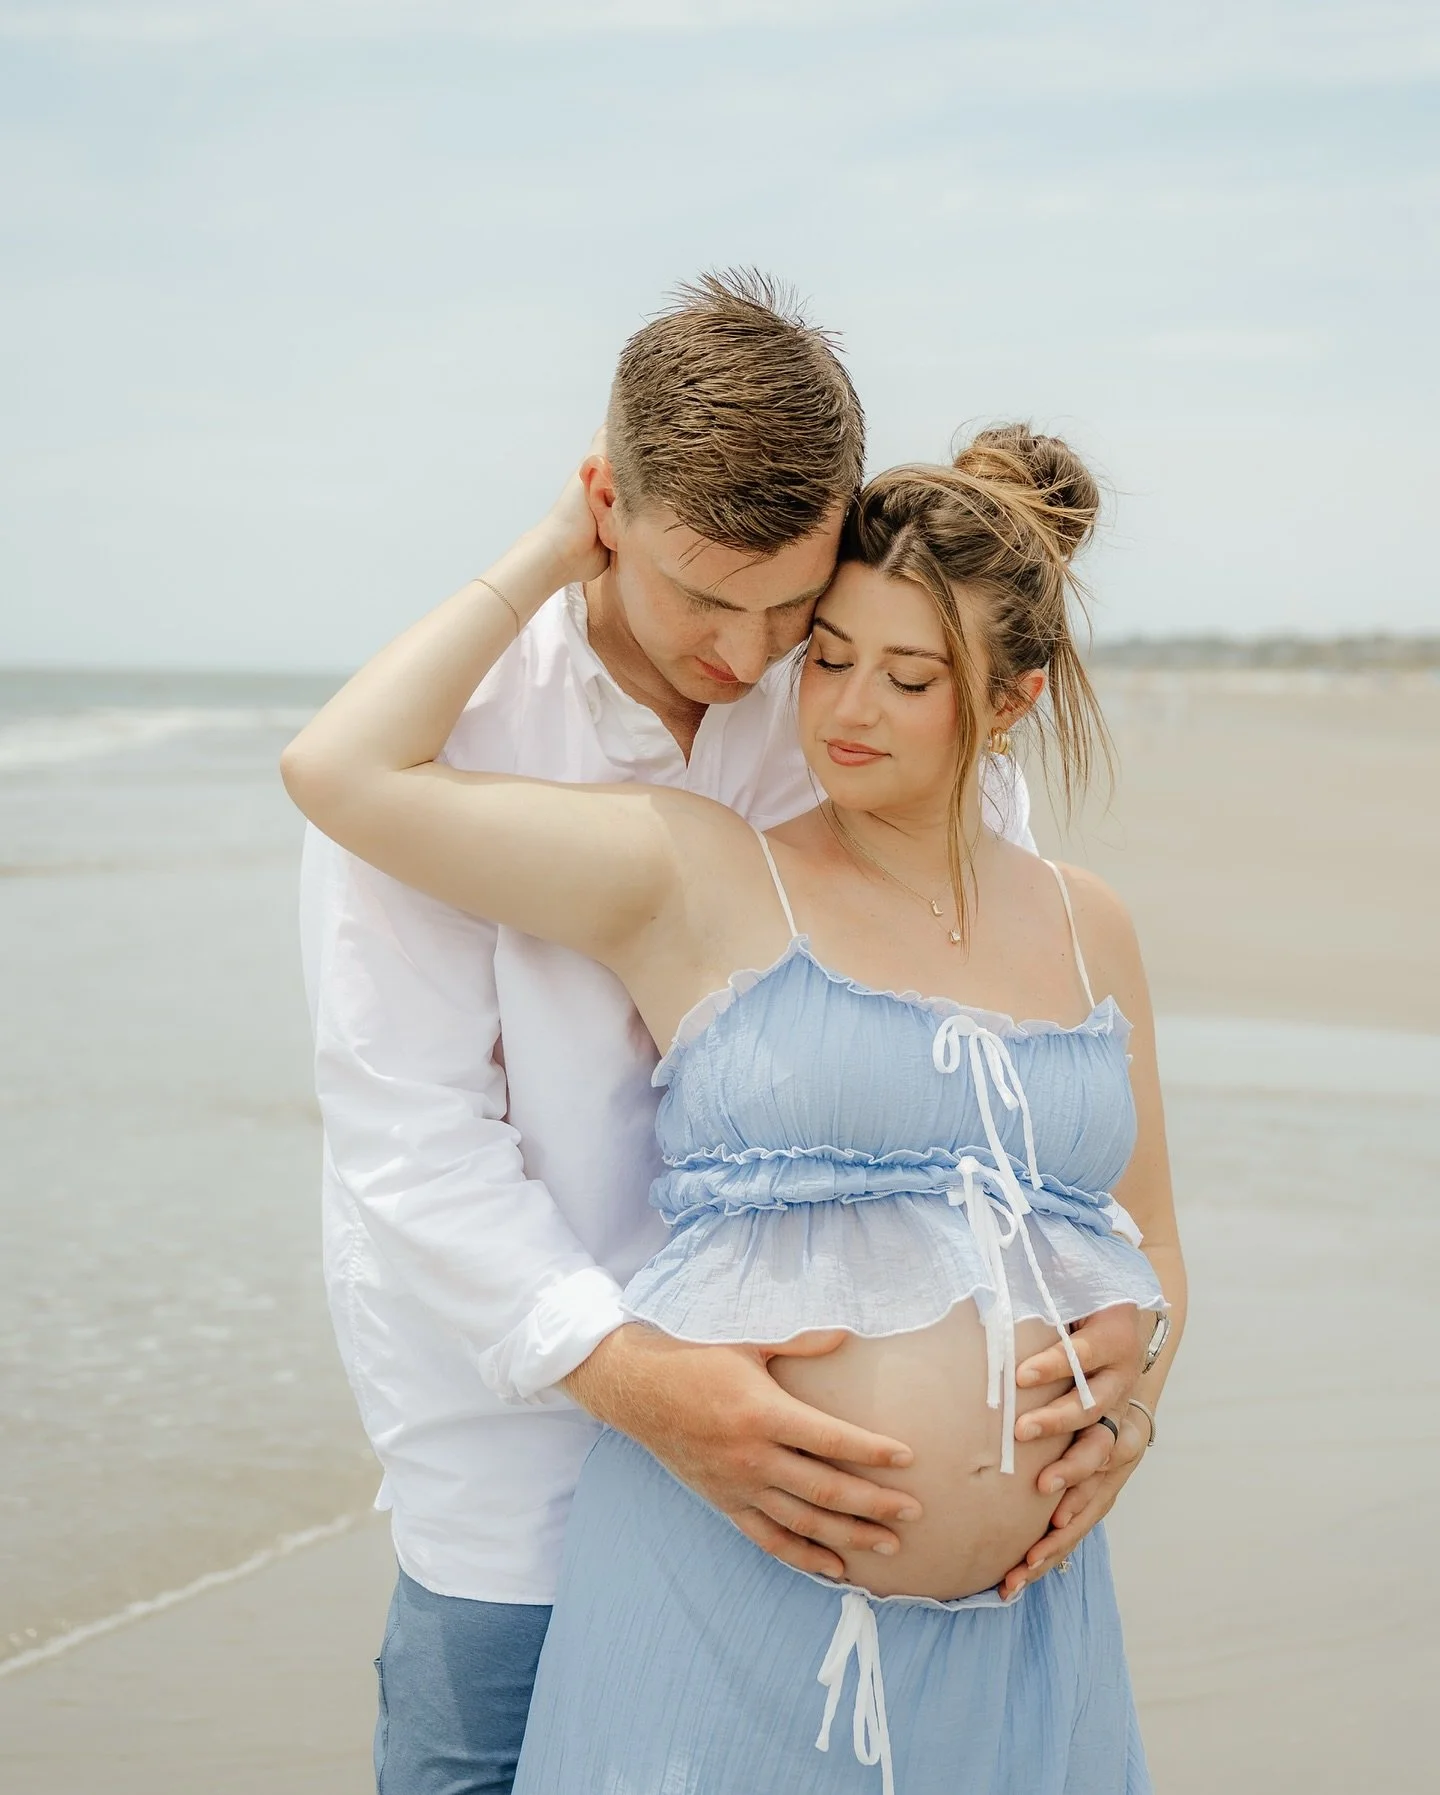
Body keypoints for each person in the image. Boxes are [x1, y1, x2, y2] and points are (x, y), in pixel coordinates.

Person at [297, 273, 1160, 1795]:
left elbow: (1001, 1084)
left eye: (795, 605)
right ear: (605, 509)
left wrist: (1122, 1353)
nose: (752, 650)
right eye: (707, 592)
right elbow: (412, 1141)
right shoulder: (470, 737)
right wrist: (654, 1386)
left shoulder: (843, 697)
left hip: (881, 1558)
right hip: (531, 1466)